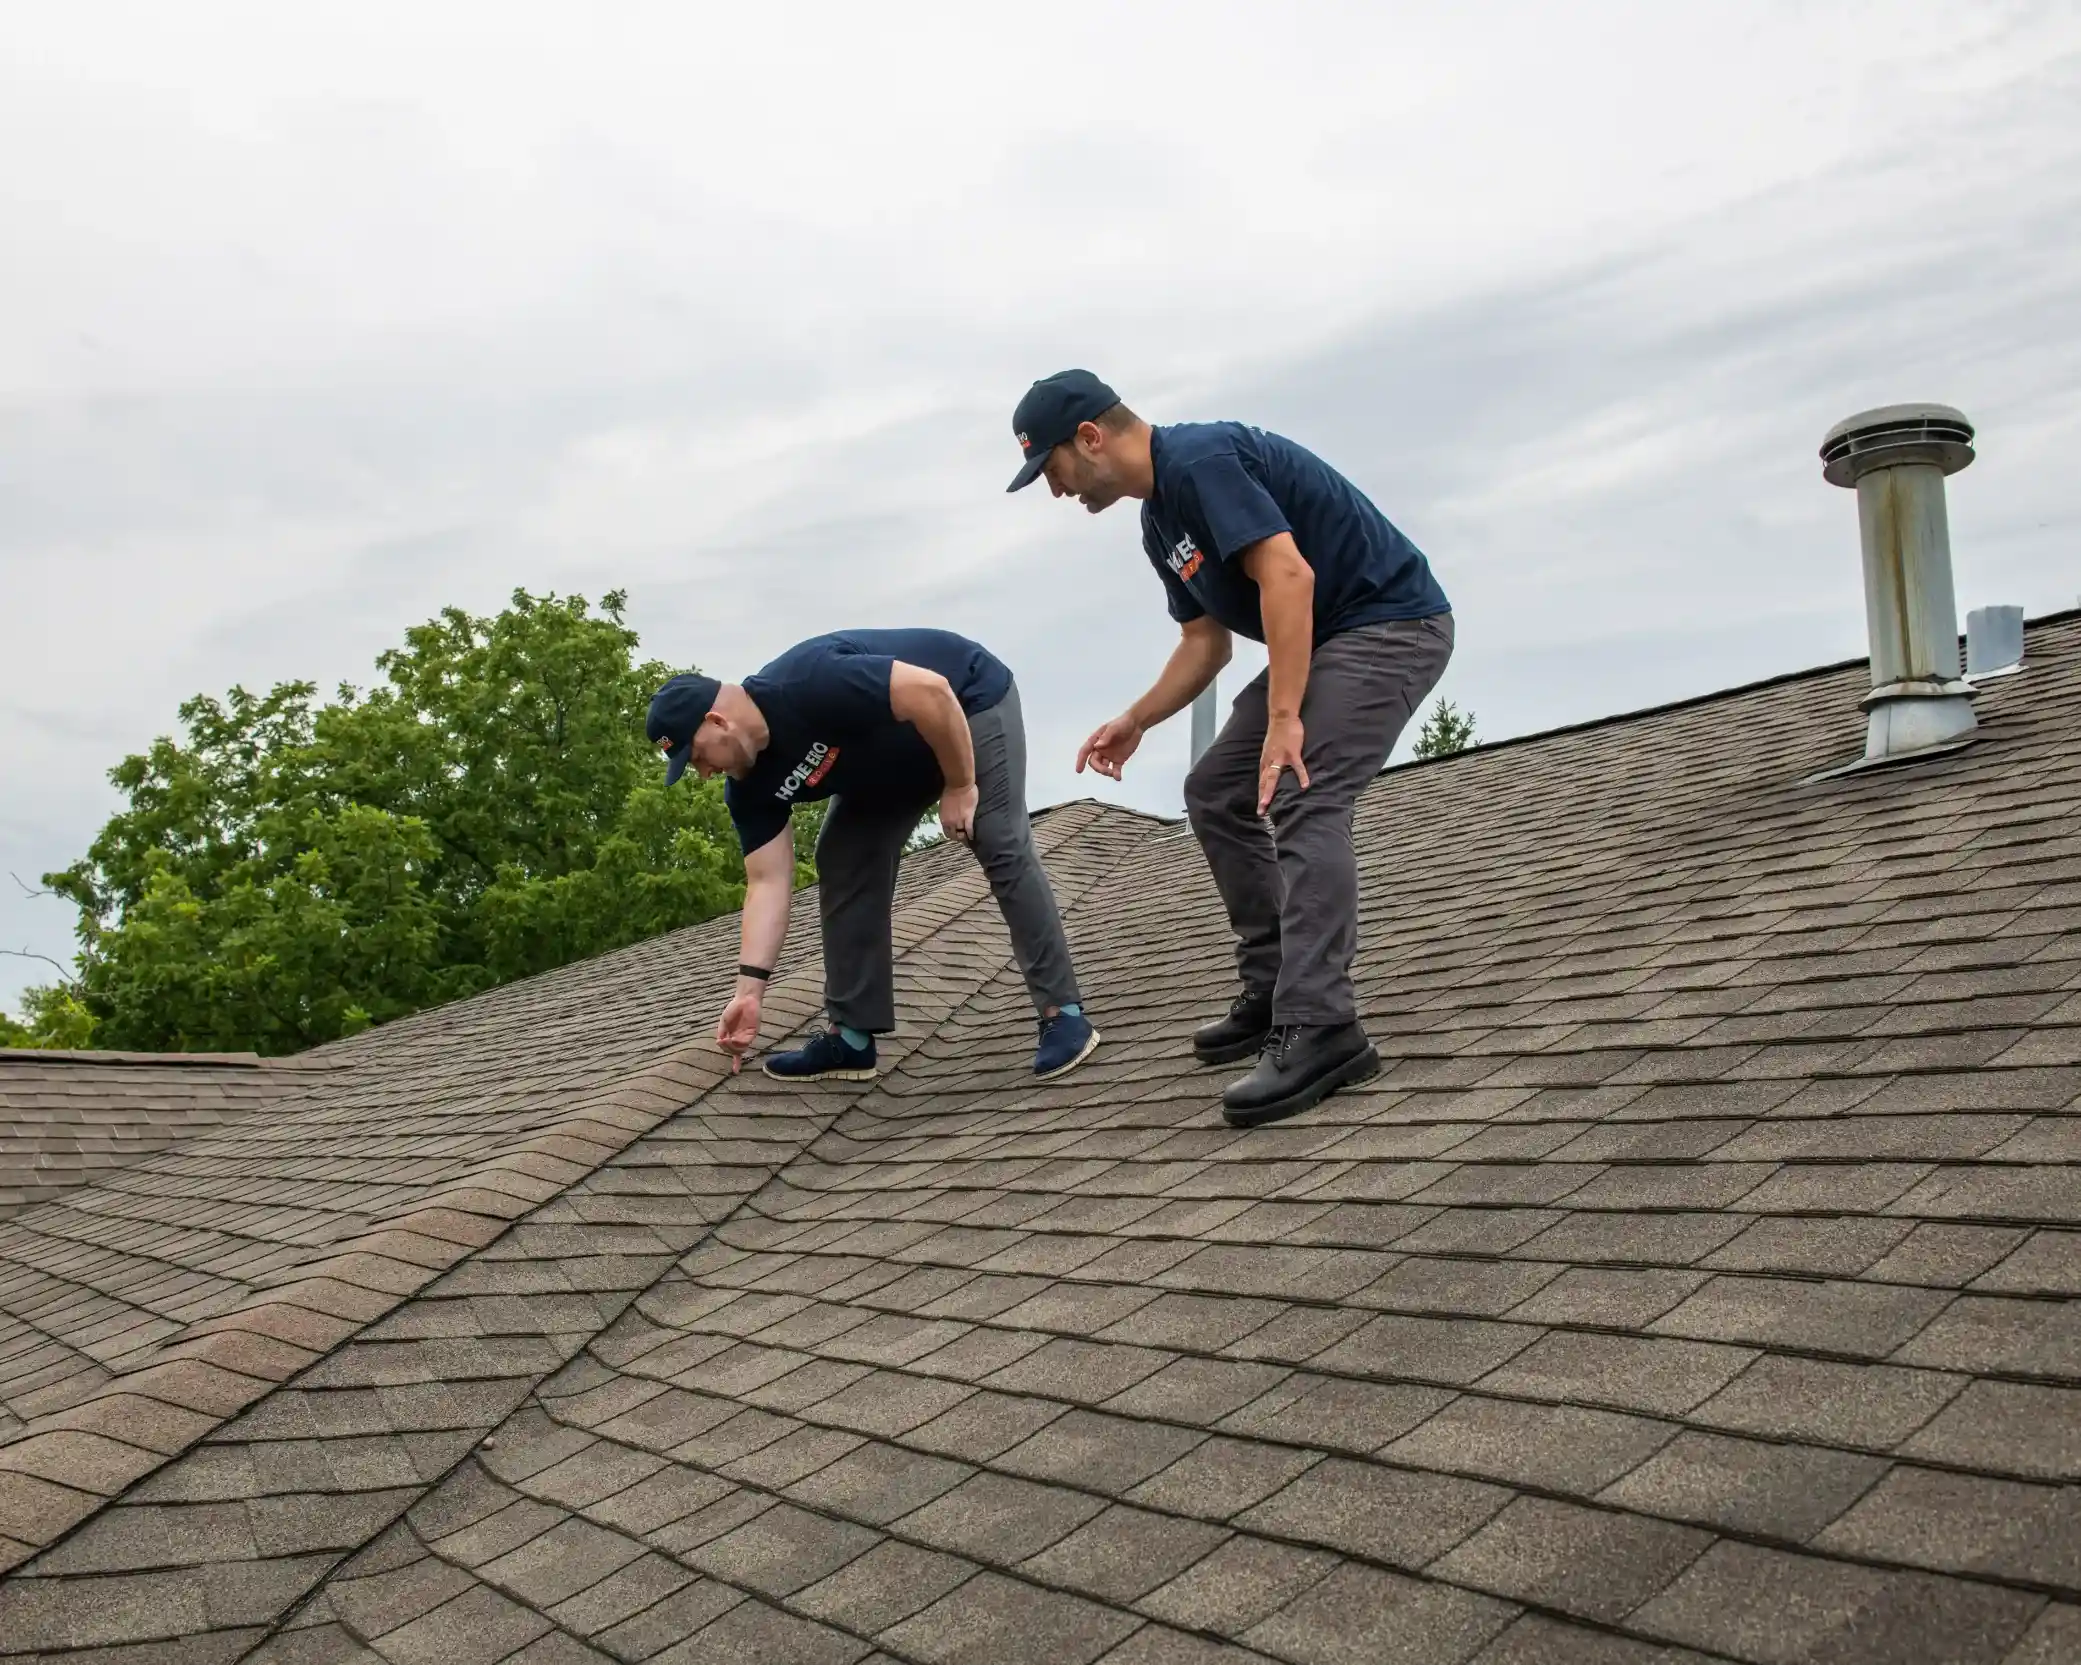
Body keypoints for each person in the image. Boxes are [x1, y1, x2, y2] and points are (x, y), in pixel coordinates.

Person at [1008, 369, 1452, 1128]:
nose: (1056, 492)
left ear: (1089, 437)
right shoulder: (1158, 522)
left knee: (1301, 786)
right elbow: (1204, 643)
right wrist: (1137, 718)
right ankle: (1277, 983)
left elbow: (1287, 572)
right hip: (1332, 639)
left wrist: (1285, 718)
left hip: (1388, 624)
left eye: (1051, 471)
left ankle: (1322, 1025)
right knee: (1214, 787)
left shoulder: (1201, 461)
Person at [648, 628, 1098, 1083]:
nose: (704, 773)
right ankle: (852, 1038)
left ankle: (1064, 1012)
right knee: (842, 854)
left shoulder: (807, 682)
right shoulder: (748, 789)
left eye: (697, 756)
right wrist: (749, 993)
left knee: (995, 833)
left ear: (718, 720)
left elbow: (931, 691)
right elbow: (767, 882)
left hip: (964, 703)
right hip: (890, 760)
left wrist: (961, 785)